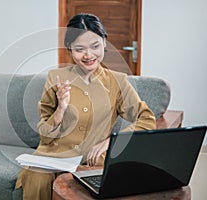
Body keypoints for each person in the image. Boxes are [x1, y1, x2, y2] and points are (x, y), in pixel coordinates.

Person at [15, 13, 156, 200]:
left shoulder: (117, 81)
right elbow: (44, 134)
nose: (88, 55)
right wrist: (60, 109)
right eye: (80, 49)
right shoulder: (55, 78)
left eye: (95, 46)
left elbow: (146, 118)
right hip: (52, 156)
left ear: (105, 42)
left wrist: (110, 142)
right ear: (70, 49)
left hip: (91, 160)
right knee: (36, 178)